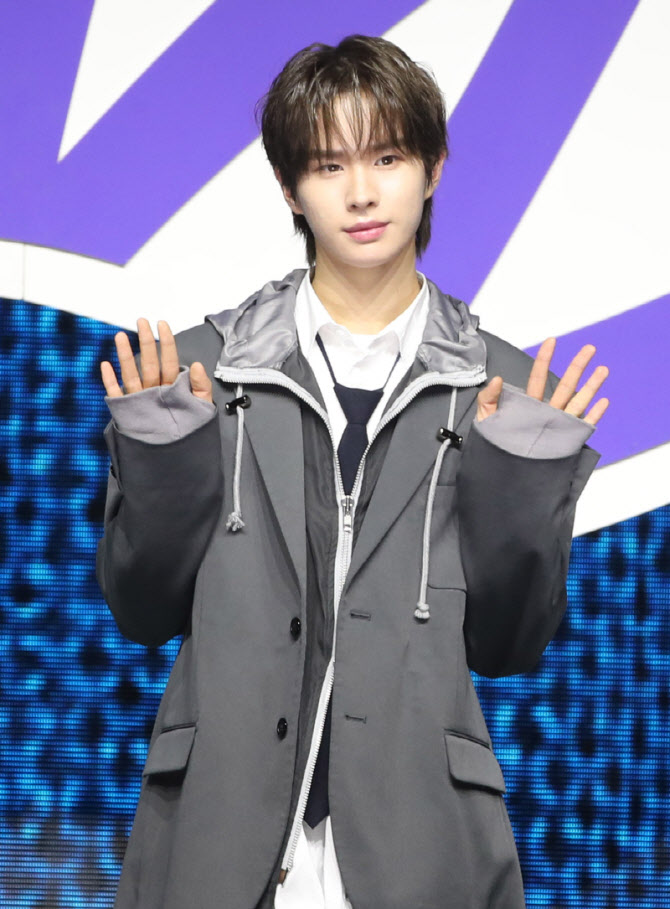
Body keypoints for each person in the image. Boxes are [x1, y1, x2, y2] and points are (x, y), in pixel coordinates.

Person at [97, 34, 608, 909]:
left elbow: (509, 645)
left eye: (388, 157)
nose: (361, 193)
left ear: (433, 168)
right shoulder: (202, 371)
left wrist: (524, 482)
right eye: (329, 165)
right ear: (288, 186)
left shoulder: (503, 391)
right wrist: (164, 456)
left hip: (419, 846)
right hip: (222, 837)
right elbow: (140, 612)